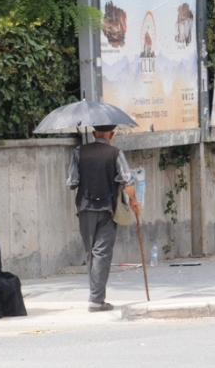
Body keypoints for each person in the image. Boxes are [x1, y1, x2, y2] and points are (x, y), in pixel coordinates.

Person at [67, 124, 140, 312]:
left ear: (93, 133)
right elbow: (127, 181)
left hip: (84, 207)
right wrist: (133, 201)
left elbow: (72, 182)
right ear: (112, 134)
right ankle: (96, 300)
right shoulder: (115, 153)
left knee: (91, 252)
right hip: (107, 208)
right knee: (102, 253)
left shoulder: (78, 151)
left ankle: (96, 297)